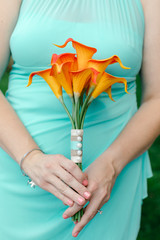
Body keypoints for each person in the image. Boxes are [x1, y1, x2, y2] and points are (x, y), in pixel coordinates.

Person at [0, 0, 159, 239]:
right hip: (17, 171)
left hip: (106, 183)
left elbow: (156, 98)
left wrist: (111, 166)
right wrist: (30, 159)